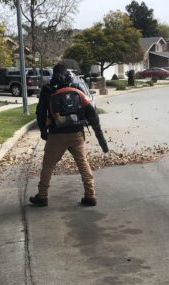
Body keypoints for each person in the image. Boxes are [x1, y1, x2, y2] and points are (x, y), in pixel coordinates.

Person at [29, 63, 107, 207]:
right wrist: (101, 140)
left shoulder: (47, 90)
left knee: (48, 165)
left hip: (56, 134)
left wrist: (43, 132)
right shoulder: (75, 90)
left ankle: (42, 196)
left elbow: (40, 113)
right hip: (76, 133)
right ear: (67, 74)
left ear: (53, 74)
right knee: (83, 163)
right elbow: (92, 114)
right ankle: (90, 196)